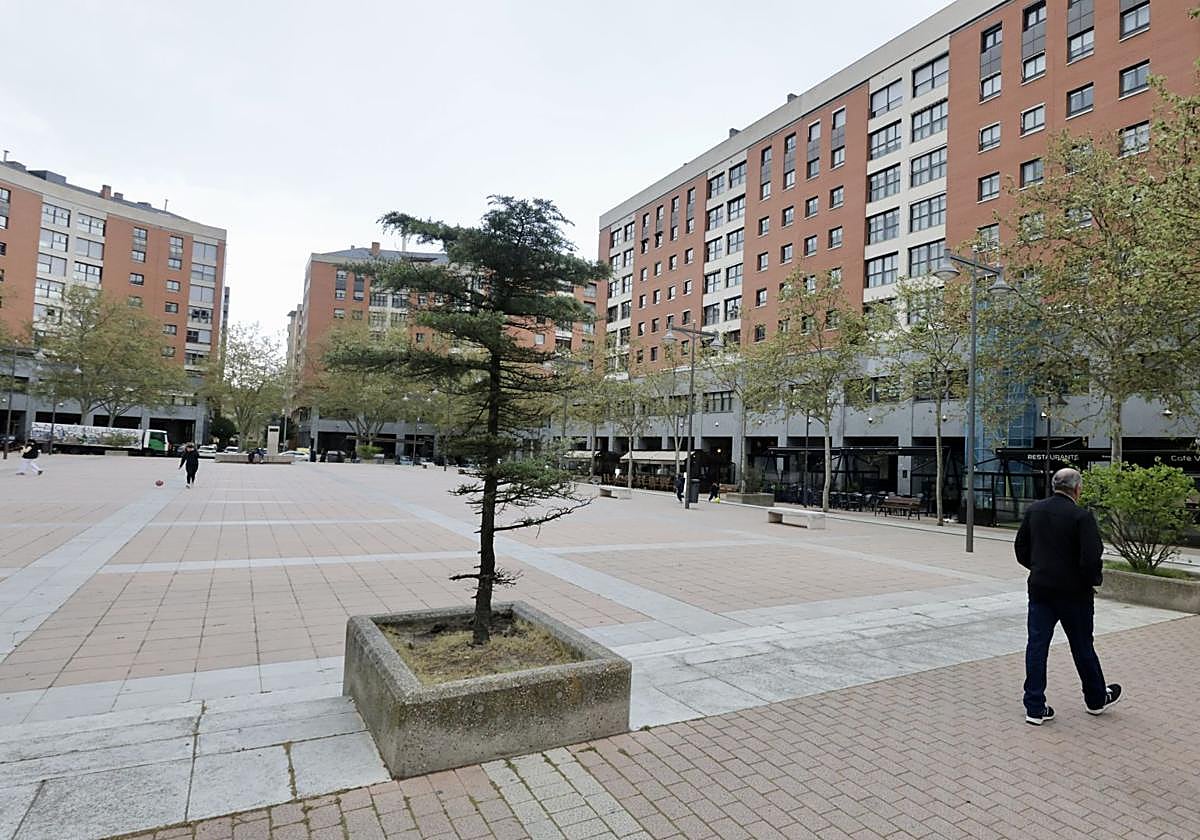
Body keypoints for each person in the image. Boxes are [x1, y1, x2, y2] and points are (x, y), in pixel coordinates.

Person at [1015, 466, 1122, 726]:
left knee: (1037, 645)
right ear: (1077, 489)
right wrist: (1090, 582)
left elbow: (1021, 548)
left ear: (1054, 486)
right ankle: (1096, 699)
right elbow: (1091, 557)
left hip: (1041, 589)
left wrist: (1038, 568)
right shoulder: (1081, 517)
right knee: (1082, 645)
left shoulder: (1034, 511)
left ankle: (1034, 707)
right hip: (1074, 594)